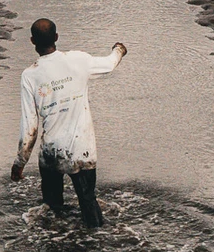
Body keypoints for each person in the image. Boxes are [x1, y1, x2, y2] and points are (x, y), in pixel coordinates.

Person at [9, 17, 127, 228]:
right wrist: (118, 49)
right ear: (56, 37)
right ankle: (95, 243)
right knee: (88, 202)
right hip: (82, 150)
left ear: (32, 41)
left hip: (51, 152)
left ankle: (57, 244)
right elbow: (109, 64)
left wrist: (20, 163)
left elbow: (30, 127)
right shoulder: (78, 60)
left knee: (52, 210)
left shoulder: (29, 76)